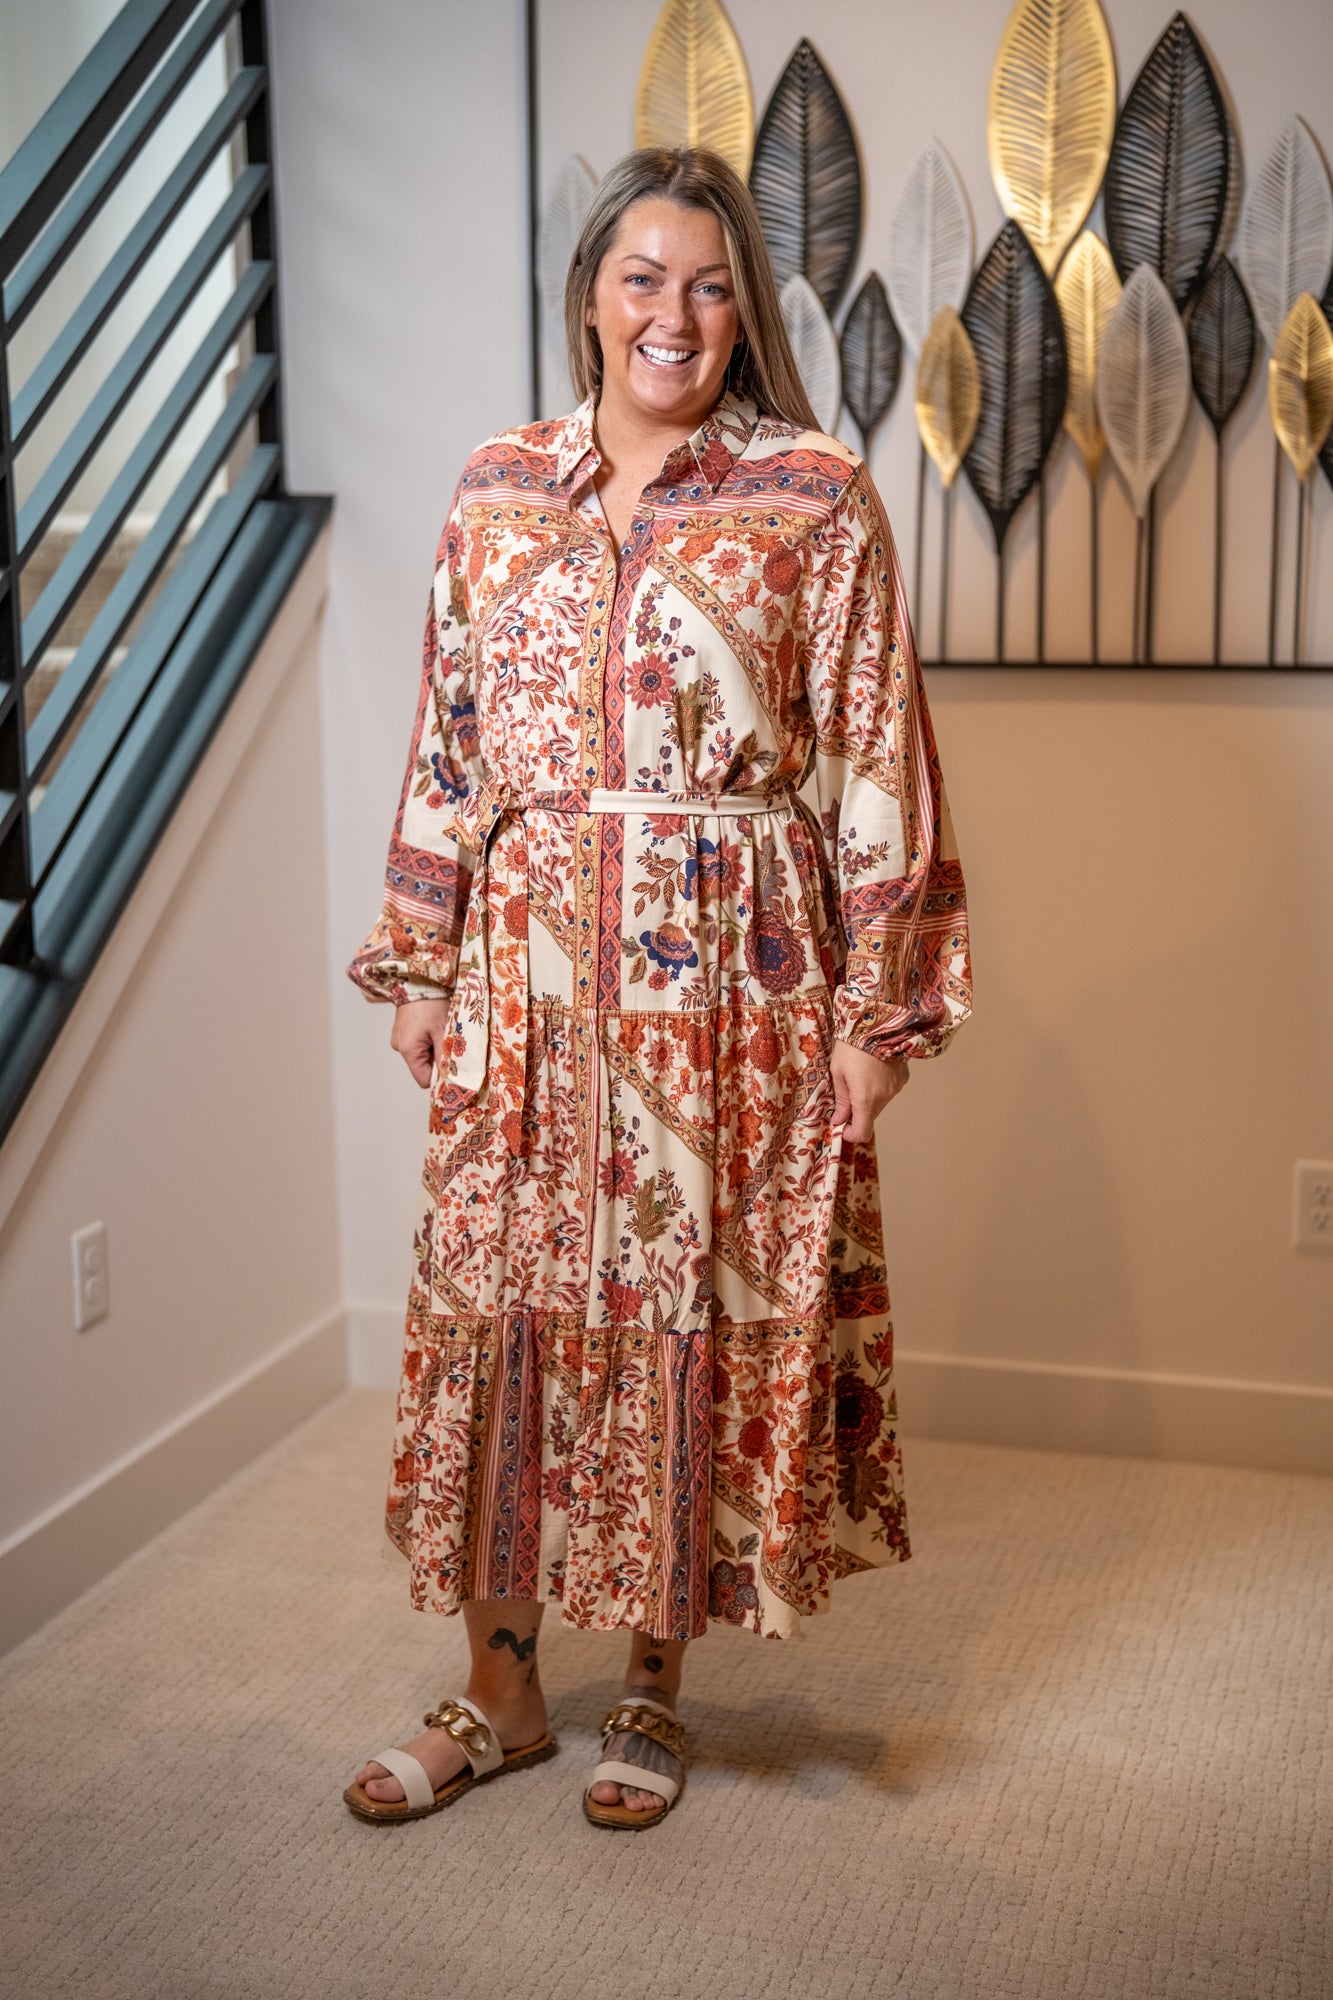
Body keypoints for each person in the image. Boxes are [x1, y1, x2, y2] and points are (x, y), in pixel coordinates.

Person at [342, 146, 971, 1832]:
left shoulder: (814, 496)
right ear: (590, 295)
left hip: (730, 981)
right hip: (520, 979)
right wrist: (415, 952)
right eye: (641, 276)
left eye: (706, 284)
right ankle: (497, 1692)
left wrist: (879, 1013)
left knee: (683, 1321)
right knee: (507, 1315)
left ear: (742, 308)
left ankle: (651, 1686)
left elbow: (876, 766)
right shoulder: (495, 485)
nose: (671, 314)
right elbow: (448, 738)